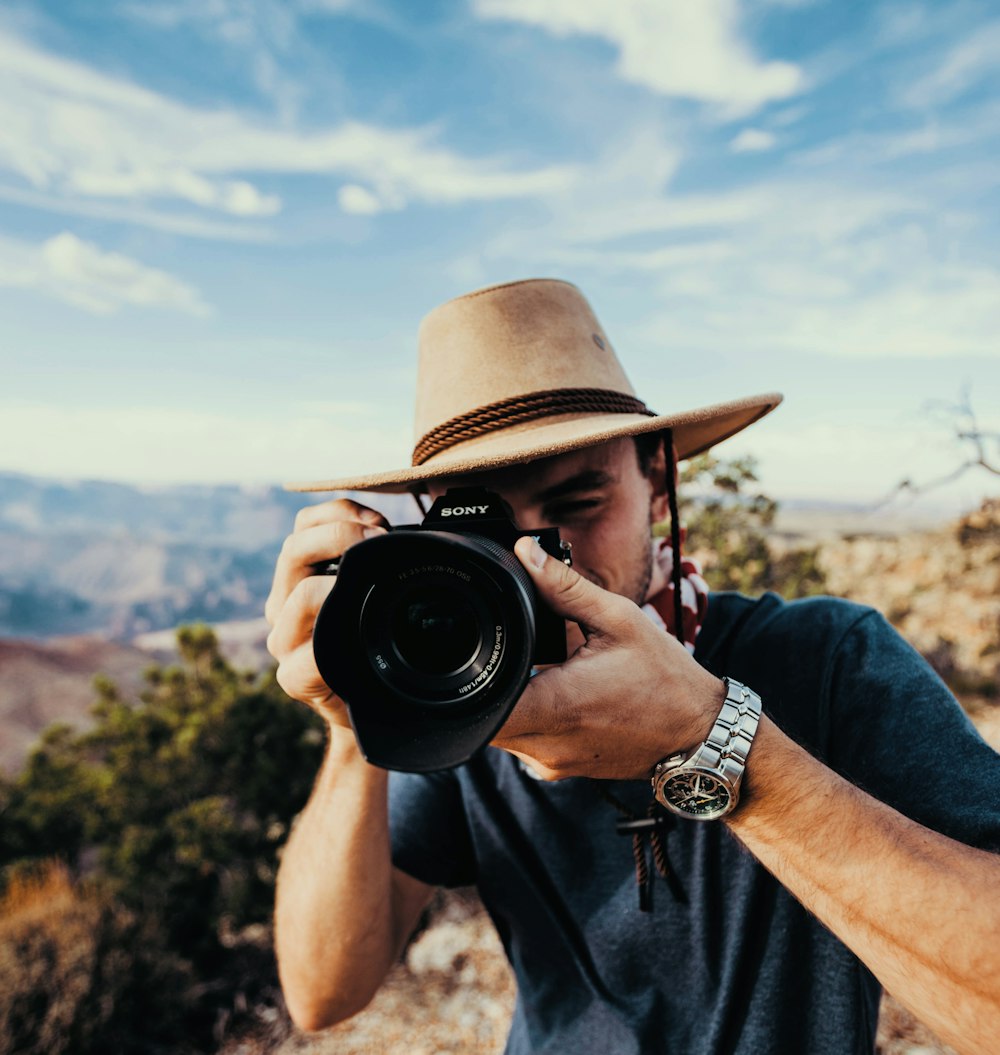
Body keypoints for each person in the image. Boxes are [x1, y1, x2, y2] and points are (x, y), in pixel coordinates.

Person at [265, 279, 1000, 1055]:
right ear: (427, 520)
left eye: (579, 500)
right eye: (484, 525)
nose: (542, 556)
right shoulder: (456, 691)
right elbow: (323, 992)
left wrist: (713, 736)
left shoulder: (825, 661)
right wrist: (355, 719)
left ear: (658, 479)